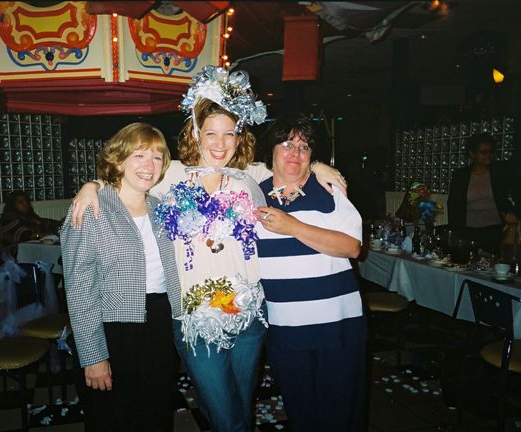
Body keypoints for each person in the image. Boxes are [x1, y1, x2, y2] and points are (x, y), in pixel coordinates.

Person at [71, 67, 348, 432]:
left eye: (229, 133)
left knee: (241, 406)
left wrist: (318, 165)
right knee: (224, 413)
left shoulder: (251, 177)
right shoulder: (168, 174)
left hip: (249, 315)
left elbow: (290, 164)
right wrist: (91, 186)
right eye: (211, 133)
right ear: (195, 134)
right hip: (194, 319)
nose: (220, 143)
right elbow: (127, 174)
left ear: (239, 137)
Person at [60, 123, 181, 432]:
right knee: (112, 418)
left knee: (156, 414)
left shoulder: (161, 209)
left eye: (157, 157)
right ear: (119, 159)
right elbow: (79, 290)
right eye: (139, 155)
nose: (149, 165)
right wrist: (93, 356)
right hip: (112, 328)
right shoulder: (91, 209)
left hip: (159, 323)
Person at [255, 114, 366, 432]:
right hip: (285, 326)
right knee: (301, 411)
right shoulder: (252, 196)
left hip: (338, 324)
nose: (295, 153)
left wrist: (293, 227)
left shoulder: (330, 191)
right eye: (286, 144)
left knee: (340, 413)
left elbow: (351, 247)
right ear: (271, 151)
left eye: (304, 147)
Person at [448, 133, 519, 253]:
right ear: (472, 154)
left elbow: (517, 193)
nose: (489, 155)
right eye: (483, 152)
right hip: (468, 232)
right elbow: (453, 205)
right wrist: (455, 234)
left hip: (495, 230)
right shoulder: (461, 176)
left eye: (491, 152)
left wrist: (512, 212)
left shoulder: (500, 172)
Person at [0, 190, 61, 265]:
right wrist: (40, 234)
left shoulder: (29, 216)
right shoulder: (8, 219)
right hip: (9, 256)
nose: (25, 204)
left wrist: (60, 225)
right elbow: (25, 235)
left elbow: (43, 223)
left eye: (26, 201)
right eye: (21, 202)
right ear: (13, 204)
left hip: (27, 252)